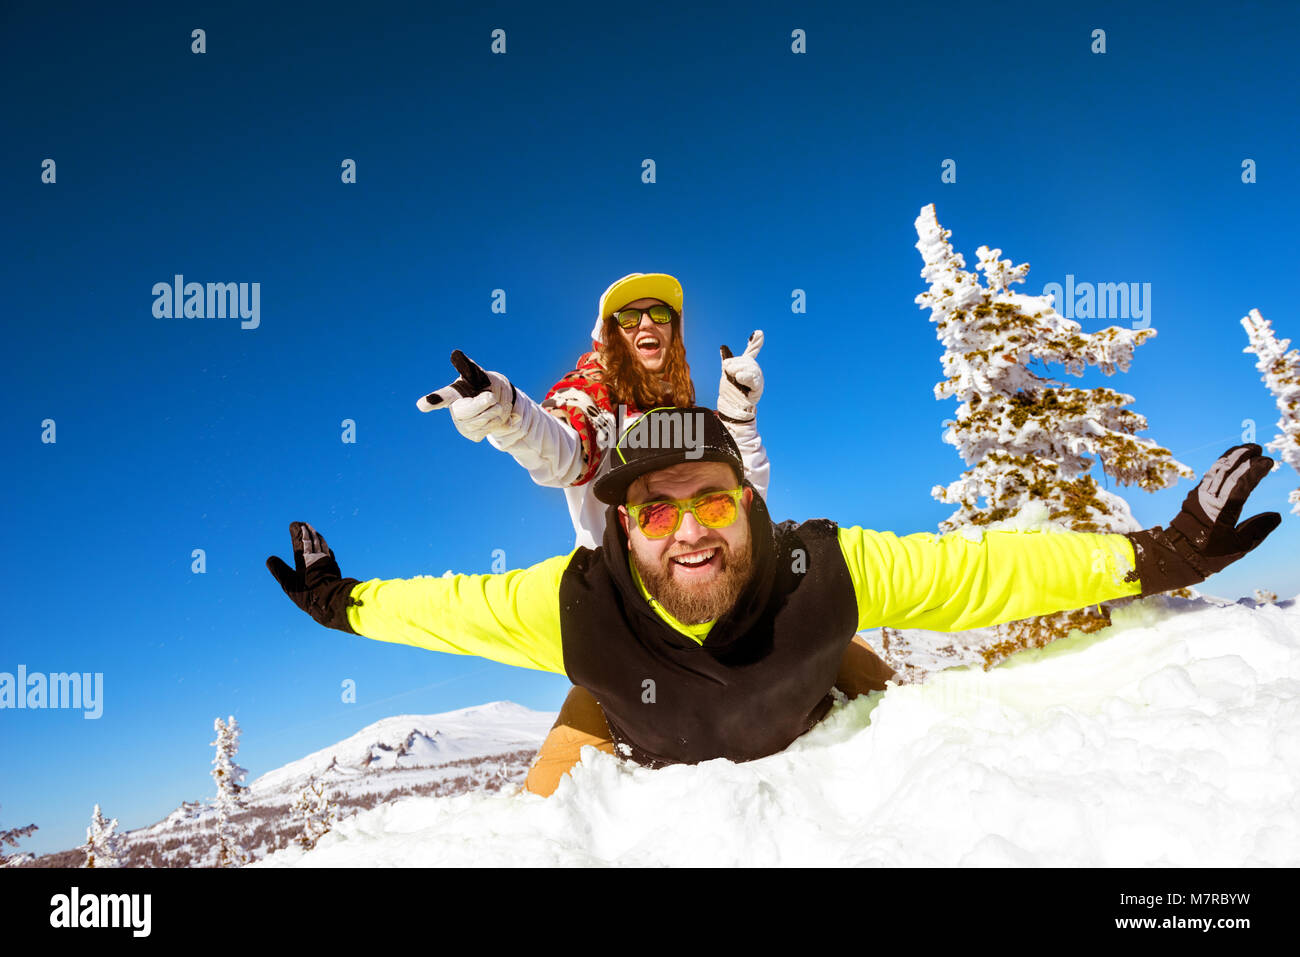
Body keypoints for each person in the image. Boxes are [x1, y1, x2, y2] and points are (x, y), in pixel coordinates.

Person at [267, 411, 1281, 778]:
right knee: (548, 815)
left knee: (897, 717)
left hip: (806, 678)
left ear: (747, 499)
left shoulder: (822, 570)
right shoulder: (573, 604)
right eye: (655, 513)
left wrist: (1161, 555)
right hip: (635, 712)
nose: (690, 531)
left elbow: (985, 572)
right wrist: (343, 603)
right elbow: (443, 606)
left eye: (709, 499)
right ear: (624, 525)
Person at [421, 273, 892, 791]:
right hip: (628, 628)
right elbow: (566, 448)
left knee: (900, 709)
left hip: (734, 605)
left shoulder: (686, 414)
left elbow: (743, 504)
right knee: (552, 803)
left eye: (661, 314)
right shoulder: (594, 395)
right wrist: (512, 416)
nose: (646, 323)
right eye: (629, 316)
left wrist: (738, 419)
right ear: (607, 334)